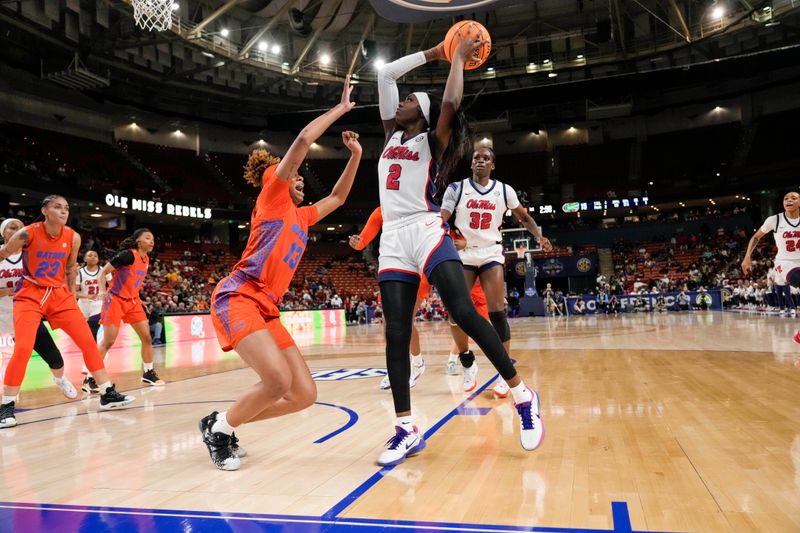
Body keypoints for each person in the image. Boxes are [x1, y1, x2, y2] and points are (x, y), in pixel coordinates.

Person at [374, 25, 543, 466]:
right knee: (395, 331)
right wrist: (433, 50)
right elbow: (386, 76)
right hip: (392, 237)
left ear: (425, 116)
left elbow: (450, 103)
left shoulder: (433, 139)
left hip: (426, 228)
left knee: (464, 311)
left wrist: (456, 59)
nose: (405, 100)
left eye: (413, 101)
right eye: (404, 100)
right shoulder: (391, 133)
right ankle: (406, 427)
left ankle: (523, 395)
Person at [199, 79, 362, 471]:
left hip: (267, 307)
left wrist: (355, 154)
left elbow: (338, 198)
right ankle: (221, 431)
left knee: (303, 394)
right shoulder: (273, 193)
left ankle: (220, 422)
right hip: (238, 296)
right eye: (297, 177)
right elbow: (304, 139)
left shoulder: (303, 217)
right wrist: (340, 109)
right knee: (276, 382)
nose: (301, 181)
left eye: (303, 180)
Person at [0, 196, 134, 428]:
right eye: (57, 207)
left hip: (59, 294)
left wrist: (71, 295)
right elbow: (3, 253)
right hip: (30, 293)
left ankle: (106, 393)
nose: (63, 211)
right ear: (45, 211)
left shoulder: (73, 237)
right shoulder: (27, 233)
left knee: (88, 342)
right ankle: (7, 407)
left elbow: (71, 268)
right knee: (22, 348)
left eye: (66, 208)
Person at [441, 145, 552, 397]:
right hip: (464, 252)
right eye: (476, 158)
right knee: (455, 313)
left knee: (497, 313)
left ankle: (504, 373)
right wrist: (448, 237)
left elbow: (523, 217)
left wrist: (539, 236)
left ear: (493, 165)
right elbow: (441, 219)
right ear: (471, 164)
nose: (480, 160)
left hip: (490, 251)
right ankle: (467, 362)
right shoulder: (456, 189)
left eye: (486, 158)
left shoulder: (504, 190)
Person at [0, 218, 77, 409]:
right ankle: (8, 401)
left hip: (27, 312)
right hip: (2, 313)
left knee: (55, 358)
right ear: (4, 234)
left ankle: (59, 379)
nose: (19, 230)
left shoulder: (34, 253)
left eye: (21, 227)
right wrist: (4, 292)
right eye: (13, 227)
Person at [350, 207, 427, 390]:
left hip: (418, 268)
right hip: (393, 267)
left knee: (405, 320)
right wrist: (356, 243)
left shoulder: (419, 206)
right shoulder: (381, 211)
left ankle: (414, 364)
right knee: (389, 322)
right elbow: (362, 242)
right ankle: (397, 368)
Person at [91, 229, 163, 390]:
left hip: (133, 302)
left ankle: (148, 373)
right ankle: (91, 379)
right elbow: (103, 272)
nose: (152, 241)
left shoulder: (146, 259)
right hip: (115, 299)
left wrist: (139, 298)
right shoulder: (128, 255)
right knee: (107, 342)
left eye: (153, 238)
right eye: (148, 238)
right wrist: (103, 290)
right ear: (138, 241)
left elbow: (133, 281)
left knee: (146, 338)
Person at [741, 191, 800, 341]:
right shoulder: (775, 220)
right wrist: (747, 256)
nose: (789, 200)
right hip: (785, 262)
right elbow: (756, 237)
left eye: (793, 198)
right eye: (786, 198)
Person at [75, 249, 111, 393]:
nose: (93, 257)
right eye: (90, 255)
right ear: (84, 258)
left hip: (99, 307)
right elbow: (74, 292)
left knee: (98, 342)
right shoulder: (80, 273)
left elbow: (112, 285)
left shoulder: (104, 270)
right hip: (83, 307)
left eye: (95, 255)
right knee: (89, 344)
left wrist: (107, 293)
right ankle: (90, 378)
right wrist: (86, 296)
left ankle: (90, 378)